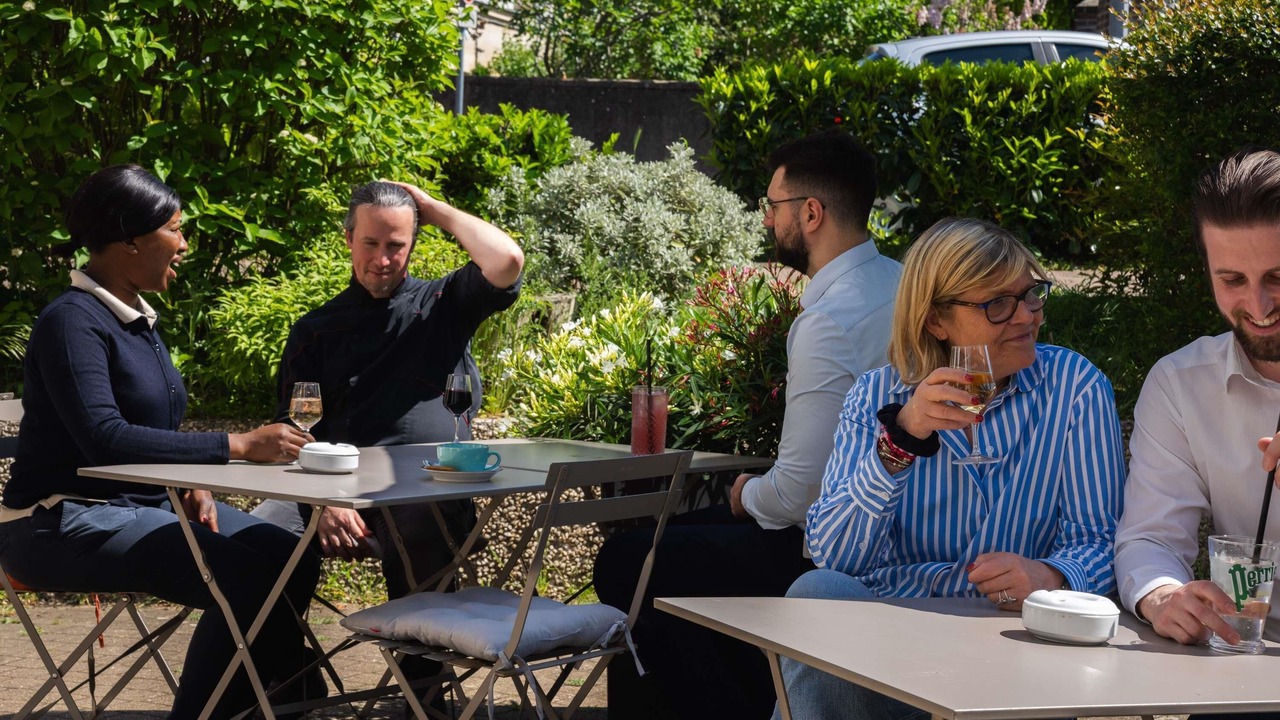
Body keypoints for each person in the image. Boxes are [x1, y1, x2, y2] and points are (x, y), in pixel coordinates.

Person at [592, 130, 904, 720]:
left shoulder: (830, 319)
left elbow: (796, 496)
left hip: (830, 552)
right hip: (894, 529)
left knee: (627, 562)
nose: (767, 222)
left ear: (810, 213)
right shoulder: (903, 283)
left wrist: (745, 495)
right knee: (662, 555)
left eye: (773, 207)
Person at [0, 164, 321, 719]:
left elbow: (149, 431)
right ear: (128, 239)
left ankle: (280, 699)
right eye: (175, 229)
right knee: (244, 578)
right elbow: (105, 438)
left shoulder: (138, 320)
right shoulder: (71, 322)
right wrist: (238, 445)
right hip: (58, 522)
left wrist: (184, 484)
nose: (185, 244)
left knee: (289, 552)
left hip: (137, 506)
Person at [776, 217, 1126, 720]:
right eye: (998, 304)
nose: (1026, 316)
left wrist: (1047, 574)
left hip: (1011, 643)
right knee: (816, 596)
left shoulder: (1075, 389)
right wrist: (902, 439)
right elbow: (834, 558)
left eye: (1032, 295)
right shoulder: (878, 395)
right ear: (937, 319)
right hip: (892, 640)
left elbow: (1099, 541)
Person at [251, 179, 523, 703]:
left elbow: (507, 260)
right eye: (371, 244)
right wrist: (326, 500)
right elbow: (292, 434)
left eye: (396, 244)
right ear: (349, 241)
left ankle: (422, 697)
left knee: (422, 519)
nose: (382, 259)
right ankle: (288, 676)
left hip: (423, 490)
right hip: (330, 491)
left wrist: (430, 207)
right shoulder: (316, 330)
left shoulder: (443, 304)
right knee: (255, 541)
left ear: (414, 244)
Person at [1116, 147, 1280, 666]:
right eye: (1232, 280)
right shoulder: (1180, 385)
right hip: (1247, 659)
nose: (1259, 307)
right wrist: (1164, 595)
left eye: (1278, 277)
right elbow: (1149, 537)